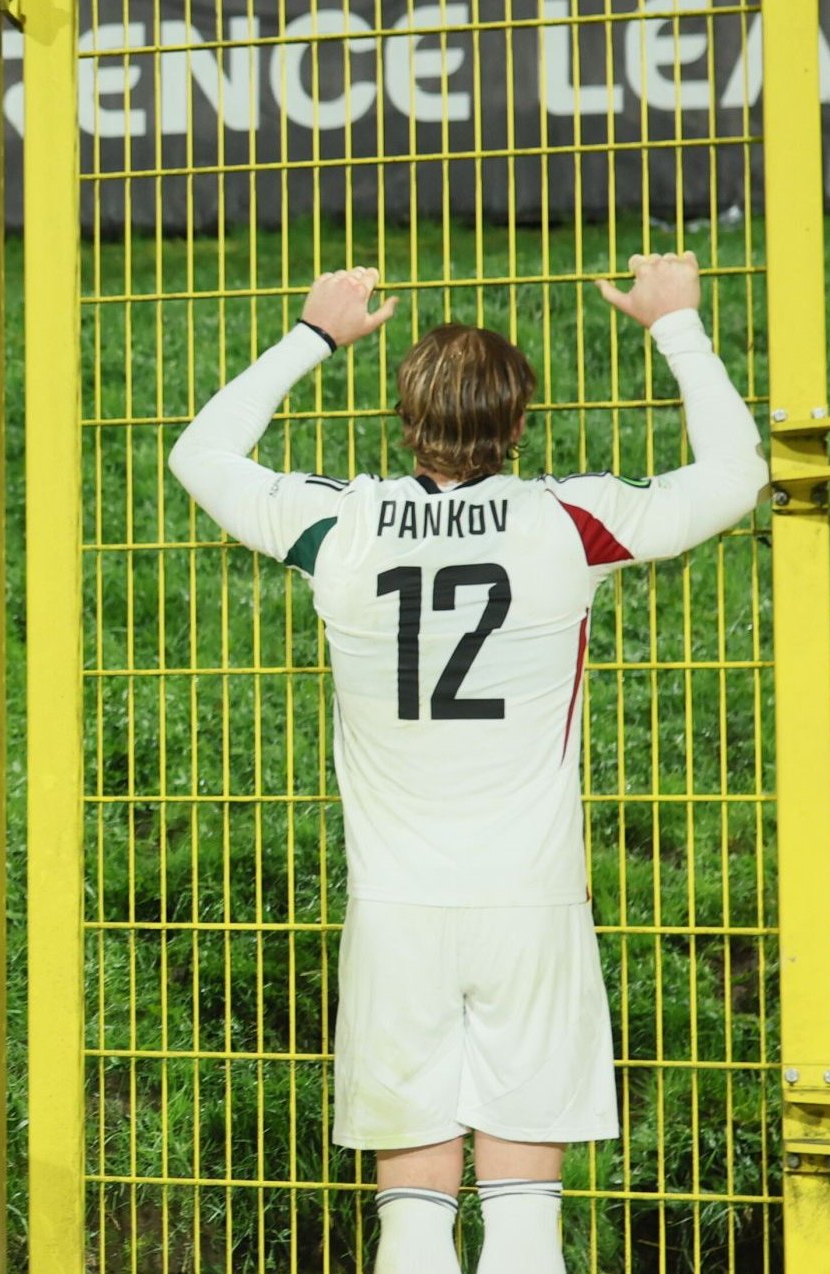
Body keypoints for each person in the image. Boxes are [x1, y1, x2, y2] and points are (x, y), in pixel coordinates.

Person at [165, 259, 764, 1274]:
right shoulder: (565, 523)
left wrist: (311, 334)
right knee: (525, 1205)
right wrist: (676, 327)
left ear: (403, 414)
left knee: (411, 1207)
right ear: (518, 420)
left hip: (395, 906)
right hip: (529, 904)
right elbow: (735, 477)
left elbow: (199, 454)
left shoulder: (335, 524)